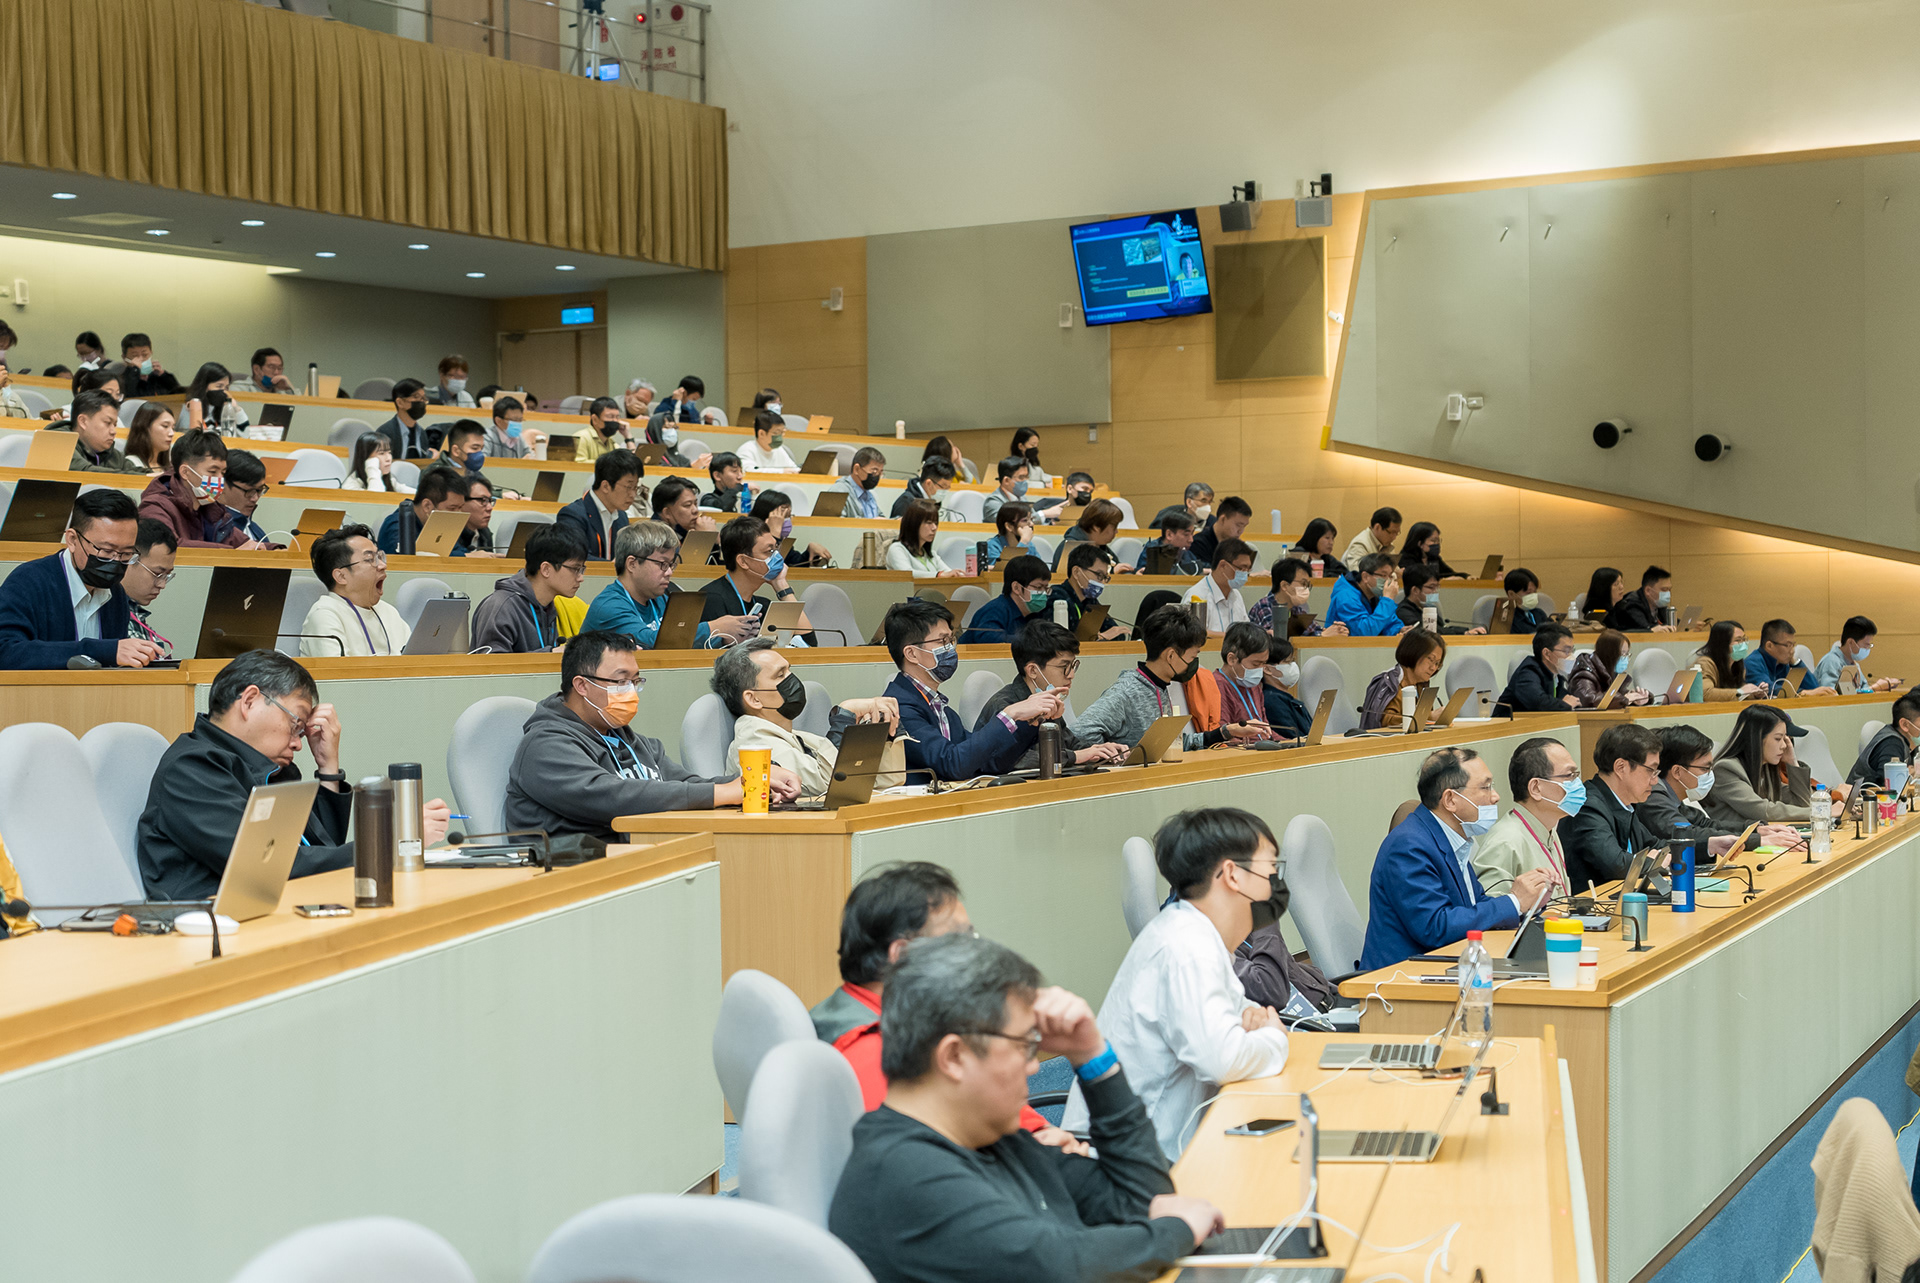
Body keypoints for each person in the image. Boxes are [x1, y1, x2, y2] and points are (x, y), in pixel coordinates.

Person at [828, 933, 1219, 1283]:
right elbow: (1059, 1268)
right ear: (954, 1057)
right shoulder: (904, 1173)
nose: (1034, 1067)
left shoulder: (992, 1139)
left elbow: (1143, 1200)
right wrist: (1178, 1229)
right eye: (1023, 1047)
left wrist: (1092, 1058)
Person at [1062, 807, 1288, 1159]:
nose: (1275, 880)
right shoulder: (1188, 948)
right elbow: (1224, 1058)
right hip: (1129, 1162)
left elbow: (1244, 1019)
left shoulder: (1194, 934)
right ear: (1233, 874)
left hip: (1150, 1145)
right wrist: (1274, 1038)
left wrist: (1255, 1030)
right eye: (1271, 867)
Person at [138, 650, 449, 898]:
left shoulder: (270, 770)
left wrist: (328, 768)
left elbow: (321, 852)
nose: (299, 743)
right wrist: (390, 840)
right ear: (249, 701)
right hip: (213, 927)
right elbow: (267, 865)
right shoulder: (193, 768)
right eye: (295, 724)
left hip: (278, 909)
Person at [809, 863, 1071, 1143]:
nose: (973, 954)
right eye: (959, 939)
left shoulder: (906, 1019)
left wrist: (1041, 1132)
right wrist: (1038, 1148)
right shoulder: (875, 1053)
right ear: (903, 955)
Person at [504, 630, 799, 840]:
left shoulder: (632, 741)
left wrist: (751, 782)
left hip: (638, 857)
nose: (631, 692)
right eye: (621, 681)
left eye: (636, 681)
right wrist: (722, 793)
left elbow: (684, 785)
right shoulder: (546, 745)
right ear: (582, 685)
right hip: (573, 870)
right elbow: (611, 797)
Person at [1358, 747, 1553, 970]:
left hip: (1448, 965)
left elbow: (1475, 905)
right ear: (1450, 799)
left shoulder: (1449, 838)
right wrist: (1514, 901)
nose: (1496, 796)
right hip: (1401, 977)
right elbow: (1435, 927)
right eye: (1485, 787)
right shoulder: (1408, 846)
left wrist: (1528, 903)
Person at [882, 598, 1057, 783]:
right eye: (942, 641)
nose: (950, 648)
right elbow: (953, 764)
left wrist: (1031, 720)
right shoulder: (899, 708)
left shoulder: (942, 709)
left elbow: (987, 763)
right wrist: (1009, 714)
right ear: (911, 654)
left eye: (951, 639)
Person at [717, 637, 902, 794]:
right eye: (780, 675)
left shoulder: (799, 738)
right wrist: (846, 715)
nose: (793, 679)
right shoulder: (754, 743)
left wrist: (885, 729)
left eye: (789, 670)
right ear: (753, 699)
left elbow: (886, 781)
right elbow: (831, 786)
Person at [1076, 605, 1261, 754]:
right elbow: (1080, 733)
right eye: (1192, 656)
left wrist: (1226, 732)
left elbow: (1174, 744)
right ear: (1171, 656)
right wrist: (1115, 757)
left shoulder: (1160, 687)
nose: (1194, 664)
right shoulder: (1127, 691)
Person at [0, 488, 152, 669]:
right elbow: (6, 652)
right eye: (106, 551)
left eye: (126, 553)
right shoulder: (28, 582)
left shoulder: (116, 593)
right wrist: (102, 651)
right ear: (72, 540)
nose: (115, 561)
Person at [973, 620, 1128, 768]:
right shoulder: (1006, 706)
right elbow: (1013, 760)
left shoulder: (1047, 699)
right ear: (1033, 671)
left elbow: (1069, 744)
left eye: (1073, 665)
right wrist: (1076, 756)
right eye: (1064, 666)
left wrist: (1101, 751)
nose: (1071, 674)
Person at [582, 521, 751, 648]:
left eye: (671, 564)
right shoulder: (609, 606)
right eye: (662, 564)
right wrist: (713, 628)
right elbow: (650, 642)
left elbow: (680, 644)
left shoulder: (662, 597)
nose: (669, 572)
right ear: (632, 564)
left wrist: (725, 637)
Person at [1642, 724, 1798, 848]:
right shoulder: (1653, 797)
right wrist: (1757, 841)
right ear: (1677, 772)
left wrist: (1755, 829)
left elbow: (1705, 824)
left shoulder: (1671, 796)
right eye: (1705, 769)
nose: (1710, 774)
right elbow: (1687, 835)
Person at [1559, 723, 1665, 889]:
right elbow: (1616, 865)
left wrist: (1659, 857)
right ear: (1621, 767)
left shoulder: (1624, 804)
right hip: (1591, 904)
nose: (1655, 780)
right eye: (1650, 771)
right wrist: (1653, 862)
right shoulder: (1587, 806)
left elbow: (1657, 846)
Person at [1705, 704, 1847, 827]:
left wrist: (1792, 762)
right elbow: (1764, 811)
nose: (1785, 745)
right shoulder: (1726, 769)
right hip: (1732, 844)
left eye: (1785, 739)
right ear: (1757, 739)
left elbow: (1803, 803)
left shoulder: (1765, 769)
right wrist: (1822, 811)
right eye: (1778, 738)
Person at [1471, 736, 1580, 895]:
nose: (1577, 783)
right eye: (1569, 775)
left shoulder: (1548, 829)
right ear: (1536, 788)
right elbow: (1493, 906)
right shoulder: (1505, 842)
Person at [293, 522, 409, 657]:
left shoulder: (388, 611)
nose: (382, 565)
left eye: (379, 557)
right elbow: (338, 669)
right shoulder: (324, 615)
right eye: (370, 559)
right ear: (341, 576)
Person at [472, 524, 589, 653]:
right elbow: (491, 662)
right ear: (546, 569)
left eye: (582, 569)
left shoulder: (548, 607)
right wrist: (550, 654)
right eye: (575, 569)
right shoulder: (501, 606)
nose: (580, 578)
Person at [701, 515, 816, 640]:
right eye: (769, 551)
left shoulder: (762, 605)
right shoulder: (711, 599)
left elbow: (808, 643)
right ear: (743, 561)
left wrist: (782, 586)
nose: (777, 557)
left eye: (776, 549)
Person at [139, 431, 258, 549]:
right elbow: (168, 548)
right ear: (185, 472)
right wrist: (232, 553)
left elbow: (243, 543)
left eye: (223, 473)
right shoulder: (155, 506)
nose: (220, 479)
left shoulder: (212, 509)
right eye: (213, 472)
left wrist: (263, 547)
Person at [1200, 622, 1282, 743]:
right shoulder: (1216, 686)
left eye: (1263, 663)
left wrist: (1292, 743)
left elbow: (1266, 730)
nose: (1260, 669)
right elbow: (1223, 737)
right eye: (1255, 664)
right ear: (1232, 659)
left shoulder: (1252, 684)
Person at [556, 448, 641, 560]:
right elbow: (576, 558)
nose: (633, 495)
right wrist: (615, 566)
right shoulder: (573, 515)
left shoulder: (621, 517)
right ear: (605, 486)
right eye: (628, 487)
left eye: (635, 488)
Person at [1360, 627, 1445, 730]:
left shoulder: (1421, 685)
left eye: (1437, 663)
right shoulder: (1389, 683)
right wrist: (1428, 716)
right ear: (1414, 652)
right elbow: (1386, 721)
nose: (1433, 668)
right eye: (1430, 659)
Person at [958, 555, 1052, 645]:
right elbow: (989, 641)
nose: (1043, 593)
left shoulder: (1035, 613)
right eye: (1038, 587)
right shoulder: (994, 610)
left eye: (1046, 588)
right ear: (1016, 588)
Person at [374, 466, 469, 555]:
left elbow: (458, 551)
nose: (458, 514)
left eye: (461, 508)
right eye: (452, 508)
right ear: (427, 506)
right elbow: (409, 560)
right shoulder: (398, 526)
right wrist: (464, 556)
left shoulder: (440, 525)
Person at [1247, 556, 1347, 638]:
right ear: (1284, 586)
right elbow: (1278, 638)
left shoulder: (1296, 609)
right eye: (1303, 584)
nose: (1306, 589)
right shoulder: (1264, 606)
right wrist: (1321, 635)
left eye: (1307, 585)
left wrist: (1336, 630)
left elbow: (1314, 630)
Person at [1495, 623, 1581, 716]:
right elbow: (1538, 703)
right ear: (1547, 653)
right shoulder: (1528, 672)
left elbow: (1567, 699)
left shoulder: (1555, 675)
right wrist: (1565, 705)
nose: (1571, 656)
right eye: (1566, 651)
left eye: (1572, 650)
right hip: (1507, 724)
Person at [1048, 543, 1129, 640]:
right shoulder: (1056, 597)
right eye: (1099, 575)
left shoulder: (1091, 600)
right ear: (1076, 572)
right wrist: (1101, 637)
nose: (1102, 582)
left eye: (1105, 577)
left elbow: (1116, 634)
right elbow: (1058, 642)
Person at [123, 518, 178, 658]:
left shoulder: (136, 612)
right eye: (157, 574)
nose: (162, 585)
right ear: (130, 559)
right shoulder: (105, 611)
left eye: (167, 576)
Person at [65, 388, 147, 474]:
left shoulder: (111, 453)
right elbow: (84, 471)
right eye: (107, 423)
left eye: (114, 425)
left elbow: (137, 471)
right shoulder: (60, 443)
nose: (113, 431)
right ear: (83, 421)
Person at [1744, 618, 1833, 696]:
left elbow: (1814, 688)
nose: (1792, 651)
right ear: (1769, 646)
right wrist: (1803, 693)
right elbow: (1771, 690)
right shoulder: (1752, 663)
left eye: (1793, 645)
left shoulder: (1783, 663)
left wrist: (1795, 663)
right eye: (1788, 645)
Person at [1848, 692, 1920, 787]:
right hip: (1864, 795)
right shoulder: (1892, 744)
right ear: (1904, 724)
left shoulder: (1905, 741)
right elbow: (1889, 786)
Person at [1326, 552, 1404, 636]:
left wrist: (1400, 630)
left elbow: (1389, 623)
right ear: (1365, 577)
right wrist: (1387, 600)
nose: (1388, 581)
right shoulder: (1346, 596)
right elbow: (1364, 632)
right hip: (1341, 644)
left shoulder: (1376, 594)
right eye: (1383, 575)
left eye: (1390, 576)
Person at [1814, 616, 1900, 693]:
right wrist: (1874, 688)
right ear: (1851, 642)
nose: (1867, 649)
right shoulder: (1831, 662)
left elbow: (1863, 688)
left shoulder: (1854, 664)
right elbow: (1831, 695)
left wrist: (1879, 687)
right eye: (1866, 645)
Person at [1395, 562, 1484, 635]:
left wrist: (1467, 631)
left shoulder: (1426, 607)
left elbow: (1443, 628)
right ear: (1415, 590)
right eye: (1431, 587)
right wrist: (1464, 633)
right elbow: (1429, 632)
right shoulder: (1403, 611)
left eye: (1437, 587)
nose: (1435, 592)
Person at [1184, 538, 1253, 632]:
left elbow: (1245, 631)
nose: (1245, 574)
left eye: (1248, 569)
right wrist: (1233, 637)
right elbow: (1196, 635)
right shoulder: (1196, 596)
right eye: (1242, 568)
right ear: (1223, 565)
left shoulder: (1236, 595)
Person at [749, 490, 832, 567]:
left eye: (789, 515)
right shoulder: (748, 537)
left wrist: (809, 552)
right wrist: (774, 536)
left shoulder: (782, 541)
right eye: (783, 516)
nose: (787, 521)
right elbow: (768, 568)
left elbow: (794, 564)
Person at [1565, 629, 1644, 709]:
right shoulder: (1584, 672)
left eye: (1627, 654)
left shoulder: (1611, 672)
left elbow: (1617, 695)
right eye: (1622, 653)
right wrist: (1624, 699)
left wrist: (1639, 697)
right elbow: (1589, 700)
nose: (1625, 658)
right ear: (1609, 653)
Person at [1694, 618, 1765, 701]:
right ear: (1722, 644)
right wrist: (1741, 692)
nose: (1743, 643)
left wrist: (1754, 694)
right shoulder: (1705, 663)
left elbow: (1736, 695)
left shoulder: (1737, 663)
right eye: (1738, 640)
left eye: (1744, 639)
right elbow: (1705, 694)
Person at [1258, 634, 1314, 738]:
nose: (1293, 666)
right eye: (1287, 662)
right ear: (1267, 669)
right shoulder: (1272, 701)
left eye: (1293, 661)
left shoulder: (1286, 698)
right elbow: (1292, 738)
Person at [1050, 498, 1129, 572]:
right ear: (1096, 527)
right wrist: (1112, 572)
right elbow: (1076, 578)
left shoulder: (1100, 546)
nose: (1116, 531)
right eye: (1114, 527)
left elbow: (1116, 566)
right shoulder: (1071, 548)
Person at [887, 498, 961, 577]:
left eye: (936, 523)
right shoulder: (897, 549)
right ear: (914, 524)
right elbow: (907, 574)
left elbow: (948, 572)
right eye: (929, 523)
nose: (934, 528)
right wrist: (938, 575)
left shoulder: (931, 554)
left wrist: (958, 575)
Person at [221, 450, 276, 546]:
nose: (255, 498)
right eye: (249, 491)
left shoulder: (256, 530)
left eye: (259, 490)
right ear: (223, 485)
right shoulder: (212, 528)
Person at [184, 361, 250, 435]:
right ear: (204, 386)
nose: (224, 392)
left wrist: (237, 409)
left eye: (226, 387)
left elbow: (245, 435)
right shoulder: (190, 409)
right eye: (219, 386)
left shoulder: (224, 410)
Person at [376, 378, 435, 460]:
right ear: (400, 403)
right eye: (416, 397)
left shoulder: (422, 434)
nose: (421, 402)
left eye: (423, 398)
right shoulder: (385, 433)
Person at [1607, 565, 1675, 632]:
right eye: (1664, 589)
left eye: (1669, 589)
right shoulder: (1632, 605)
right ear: (1648, 591)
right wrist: (1653, 630)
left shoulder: (1659, 604)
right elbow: (1645, 629)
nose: (1668, 593)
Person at [651, 474, 718, 542]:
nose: (695, 510)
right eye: (687, 505)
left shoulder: (681, 530)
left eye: (695, 504)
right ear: (667, 513)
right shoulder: (653, 540)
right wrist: (707, 538)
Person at [1189, 495, 1251, 567]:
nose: (1241, 531)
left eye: (1244, 526)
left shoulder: (1236, 547)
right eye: (1238, 525)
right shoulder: (1199, 544)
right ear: (1223, 519)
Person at [1135, 510, 1202, 576]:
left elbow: (1197, 568)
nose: (1191, 540)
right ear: (1169, 534)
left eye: (1192, 534)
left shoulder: (1184, 551)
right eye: (1186, 534)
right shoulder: (1153, 550)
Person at [575, 396, 636, 464]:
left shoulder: (611, 442)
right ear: (595, 419)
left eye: (617, 417)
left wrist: (628, 436)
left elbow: (631, 462)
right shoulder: (582, 437)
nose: (615, 421)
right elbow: (578, 464)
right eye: (610, 416)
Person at [890, 455, 957, 519]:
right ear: (928, 483)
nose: (945, 491)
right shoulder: (906, 502)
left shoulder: (934, 502)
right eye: (943, 486)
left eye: (948, 487)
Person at [119, 332, 181, 398]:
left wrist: (163, 375)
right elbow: (129, 395)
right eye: (135, 356)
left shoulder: (158, 377)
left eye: (145, 355)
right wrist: (135, 371)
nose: (141, 359)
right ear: (124, 358)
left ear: (151, 353)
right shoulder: (121, 380)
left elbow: (179, 394)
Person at [832, 446, 887, 519]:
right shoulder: (839, 492)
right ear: (857, 469)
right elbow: (836, 523)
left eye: (880, 472)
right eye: (874, 471)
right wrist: (870, 523)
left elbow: (880, 518)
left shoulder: (870, 494)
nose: (877, 476)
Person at [1340, 505, 1401, 570]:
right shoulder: (1360, 544)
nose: (1394, 537)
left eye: (1397, 533)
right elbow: (1357, 573)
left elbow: (1393, 569)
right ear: (1377, 527)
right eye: (1391, 532)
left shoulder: (1386, 543)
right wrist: (1393, 573)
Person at [123, 400, 176, 472]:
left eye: (173, 428)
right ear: (145, 427)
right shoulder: (132, 464)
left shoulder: (168, 466)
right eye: (165, 426)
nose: (171, 433)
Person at [1396, 521, 1461, 578]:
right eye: (1433, 541)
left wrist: (1461, 577)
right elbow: (1420, 578)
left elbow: (1451, 574)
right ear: (1420, 543)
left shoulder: (1434, 558)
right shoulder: (1406, 559)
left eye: (1438, 540)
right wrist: (1444, 579)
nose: (1437, 544)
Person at [980, 456, 1033, 524]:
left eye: (1026, 477)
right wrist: (1042, 514)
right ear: (1006, 480)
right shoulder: (993, 502)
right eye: (1021, 477)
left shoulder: (1022, 498)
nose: (1025, 481)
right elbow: (1009, 524)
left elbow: (1033, 518)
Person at [981, 502, 1034, 568]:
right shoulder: (992, 546)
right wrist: (1024, 542)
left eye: (1031, 519)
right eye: (1025, 520)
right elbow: (1005, 570)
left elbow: (1039, 569)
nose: (1031, 524)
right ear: (1009, 526)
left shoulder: (1029, 545)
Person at [1149, 482, 1214, 532]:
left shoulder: (1213, 523)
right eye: (1203, 501)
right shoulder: (1169, 520)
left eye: (1210, 502)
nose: (1207, 506)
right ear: (1189, 502)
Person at [230, 346, 294, 395]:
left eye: (279, 368)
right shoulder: (238, 388)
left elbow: (299, 407)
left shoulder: (283, 391)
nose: (276, 372)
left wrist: (290, 388)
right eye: (272, 367)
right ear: (256, 369)